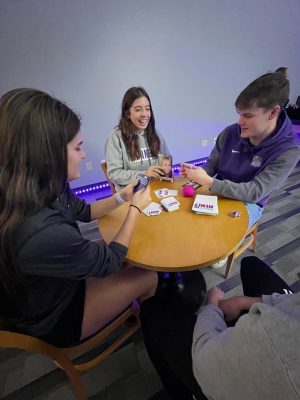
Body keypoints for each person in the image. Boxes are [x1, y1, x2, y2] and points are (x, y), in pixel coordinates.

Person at [0, 88, 158, 347]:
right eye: (78, 147)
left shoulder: (42, 184)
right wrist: (136, 209)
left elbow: (82, 211)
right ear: (48, 156)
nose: (84, 155)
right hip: (56, 314)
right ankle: (150, 329)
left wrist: (123, 197)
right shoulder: (41, 232)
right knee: (147, 274)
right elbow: (109, 263)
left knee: (131, 254)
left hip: (53, 279)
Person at [140, 256, 300, 400]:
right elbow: (291, 301)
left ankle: (186, 392)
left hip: (218, 369)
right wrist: (241, 302)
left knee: (151, 310)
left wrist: (212, 305)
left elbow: (205, 354)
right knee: (251, 264)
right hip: (280, 325)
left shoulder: (283, 357)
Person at [181, 72, 300, 229]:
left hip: (249, 202)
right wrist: (196, 174)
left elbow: (254, 192)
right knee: (186, 218)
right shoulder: (230, 132)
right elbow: (211, 166)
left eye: (248, 116)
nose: (240, 121)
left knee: (215, 234)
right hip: (219, 190)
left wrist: (209, 182)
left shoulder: (288, 151)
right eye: (239, 114)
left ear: (273, 113)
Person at [105, 87, 171, 190]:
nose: (144, 114)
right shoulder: (115, 137)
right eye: (138, 109)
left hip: (157, 189)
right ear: (127, 113)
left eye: (147, 109)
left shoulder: (156, 134)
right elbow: (114, 173)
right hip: (131, 195)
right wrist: (144, 174)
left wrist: (166, 167)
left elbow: (166, 159)